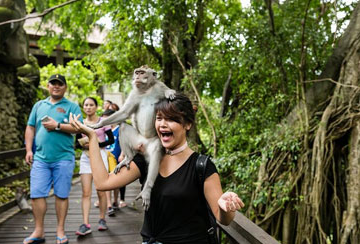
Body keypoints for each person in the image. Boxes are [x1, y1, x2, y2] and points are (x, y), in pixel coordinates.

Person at [69, 92, 244, 243]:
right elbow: (103, 182)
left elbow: (224, 220)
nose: (163, 124)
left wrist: (224, 207)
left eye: (172, 119)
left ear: (187, 124)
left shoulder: (202, 166)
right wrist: (92, 137)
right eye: (159, 118)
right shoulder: (145, 160)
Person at [23, 74, 83, 244]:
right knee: (36, 195)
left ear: (65, 87)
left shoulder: (72, 106)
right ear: (48, 86)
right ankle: (39, 231)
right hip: (40, 159)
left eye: (60, 84)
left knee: (61, 195)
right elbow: (30, 127)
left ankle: (60, 231)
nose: (56, 86)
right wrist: (28, 150)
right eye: (53, 83)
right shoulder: (39, 105)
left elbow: (78, 128)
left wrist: (57, 125)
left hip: (63, 158)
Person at [75, 97, 115, 236]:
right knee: (86, 192)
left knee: (101, 191)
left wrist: (95, 144)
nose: (88, 107)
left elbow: (111, 139)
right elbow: (76, 144)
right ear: (83, 107)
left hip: (101, 156)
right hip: (86, 157)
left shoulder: (102, 122)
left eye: (91, 105)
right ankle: (85, 223)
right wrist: (83, 144)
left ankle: (102, 219)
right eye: (86, 105)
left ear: (96, 107)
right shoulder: (81, 124)